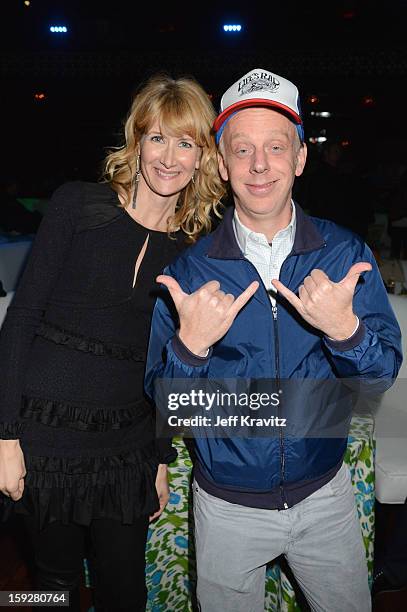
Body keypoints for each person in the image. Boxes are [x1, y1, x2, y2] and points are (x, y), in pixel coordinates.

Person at [145, 68, 402, 612]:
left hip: (325, 497)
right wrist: (189, 349)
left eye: (276, 147)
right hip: (226, 508)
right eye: (242, 149)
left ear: (300, 158)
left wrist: (345, 331)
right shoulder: (189, 273)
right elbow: (168, 409)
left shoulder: (344, 254)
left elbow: (380, 377)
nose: (260, 165)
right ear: (221, 162)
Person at [0, 72, 224, 611]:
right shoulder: (77, 205)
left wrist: (161, 458)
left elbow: (169, 363)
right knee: (48, 587)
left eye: (186, 142)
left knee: (126, 591)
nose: (169, 157)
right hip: (43, 438)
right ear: (137, 140)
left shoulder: (191, 251)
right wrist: (5, 439)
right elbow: (21, 319)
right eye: (157, 138)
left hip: (125, 448)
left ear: (202, 157)